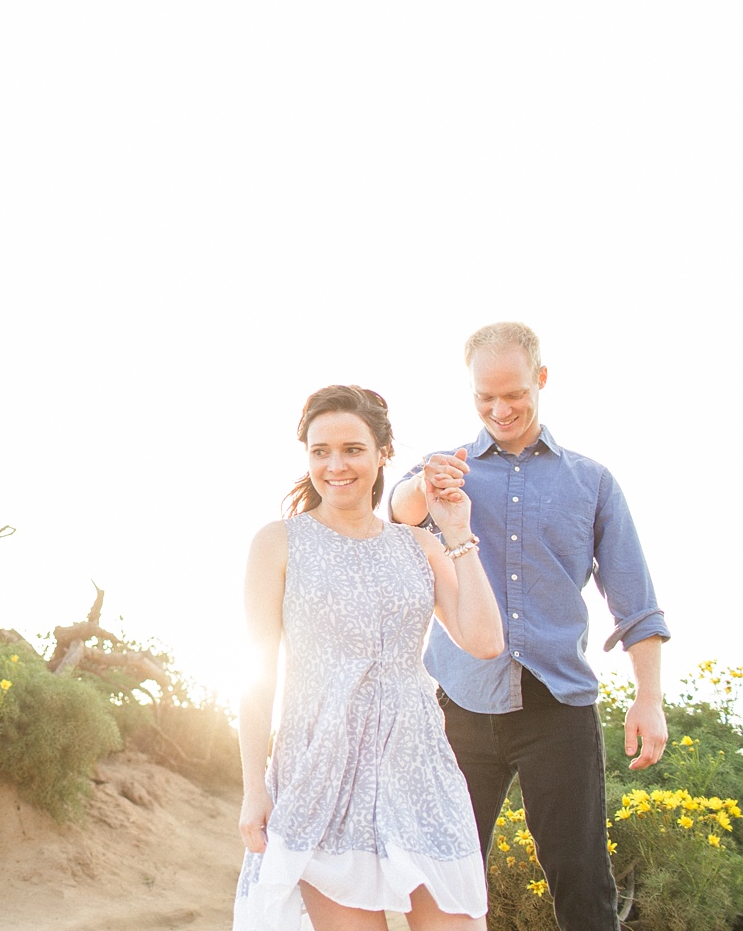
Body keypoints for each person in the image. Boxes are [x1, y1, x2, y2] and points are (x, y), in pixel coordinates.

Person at [388, 321, 668, 931]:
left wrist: (649, 698)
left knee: (583, 887)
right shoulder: (443, 472)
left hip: (558, 708)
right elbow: (397, 518)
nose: (499, 408)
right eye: (484, 398)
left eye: (513, 393)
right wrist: (423, 486)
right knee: (443, 884)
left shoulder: (591, 482)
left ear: (541, 380)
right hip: (459, 706)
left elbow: (636, 603)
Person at [234, 385, 504, 931]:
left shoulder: (418, 546)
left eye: (353, 449)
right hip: (322, 772)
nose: (335, 465)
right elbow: (258, 677)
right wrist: (253, 790)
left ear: (383, 453)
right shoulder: (278, 543)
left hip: (418, 765)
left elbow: (484, 641)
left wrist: (456, 531)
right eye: (320, 451)